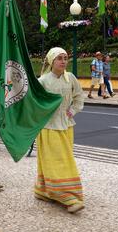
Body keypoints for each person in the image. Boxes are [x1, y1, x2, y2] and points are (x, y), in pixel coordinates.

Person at [35, 47, 85, 213]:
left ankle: (43, 190)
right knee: (58, 161)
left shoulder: (70, 78)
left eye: (65, 58)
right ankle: (68, 196)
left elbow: (79, 97)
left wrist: (72, 111)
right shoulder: (42, 81)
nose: (64, 61)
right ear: (51, 61)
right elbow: (34, 104)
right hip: (48, 128)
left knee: (61, 158)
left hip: (66, 126)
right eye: (60, 58)